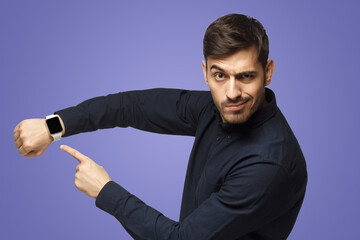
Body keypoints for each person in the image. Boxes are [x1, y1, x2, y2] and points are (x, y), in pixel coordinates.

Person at [13, 13, 307, 239]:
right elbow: (134, 107)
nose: (232, 92)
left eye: (245, 76)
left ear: (267, 72)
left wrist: (105, 190)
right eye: (220, 76)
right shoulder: (216, 108)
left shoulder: (269, 165)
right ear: (205, 72)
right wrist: (52, 126)